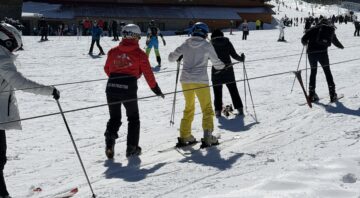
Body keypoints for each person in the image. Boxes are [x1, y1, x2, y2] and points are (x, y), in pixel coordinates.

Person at [0, 22, 60, 198]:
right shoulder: (2, 59)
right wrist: (50, 90)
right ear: (7, 41)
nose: (14, 51)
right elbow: (21, 83)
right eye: (14, 47)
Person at [103, 24, 164, 159]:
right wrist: (156, 89)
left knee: (114, 118)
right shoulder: (139, 53)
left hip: (111, 86)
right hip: (128, 88)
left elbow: (107, 69)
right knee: (133, 118)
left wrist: (116, 78)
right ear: (135, 36)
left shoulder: (113, 51)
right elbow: (148, 74)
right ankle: (132, 148)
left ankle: (109, 144)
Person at [168, 22, 225, 148]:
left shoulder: (186, 43)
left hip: (186, 81)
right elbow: (217, 63)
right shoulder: (206, 45)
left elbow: (171, 58)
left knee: (189, 107)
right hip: (201, 81)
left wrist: (178, 57)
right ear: (205, 33)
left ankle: (184, 135)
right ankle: (208, 136)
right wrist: (223, 66)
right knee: (207, 108)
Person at [301, 18, 344, 102]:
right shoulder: (329, 30)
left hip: (311, 54)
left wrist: (305, 43)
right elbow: (335, 41)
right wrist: (341, 47)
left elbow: (303, 40)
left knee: (313, 72)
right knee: (327, 72)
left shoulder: (313, 29)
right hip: (323, 54)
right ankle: (332, 94)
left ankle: (312, 94)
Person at [210, 29, 245, 117]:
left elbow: (206, 57)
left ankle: (218, 112)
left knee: (217, 92)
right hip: (228, 70)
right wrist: (241, 59)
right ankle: (240, 110)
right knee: (233, 90)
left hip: (216, 71)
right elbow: (234, 55)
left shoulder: (210, 44)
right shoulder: (227, 42)